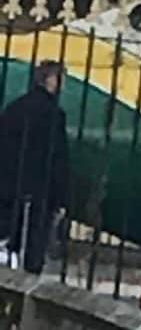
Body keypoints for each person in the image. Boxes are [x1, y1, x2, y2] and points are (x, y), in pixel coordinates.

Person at [0, 60, 69, 274]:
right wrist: (61, 198)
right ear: (51, 80)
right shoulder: (54, 113)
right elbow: (58, 157)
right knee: (33, 246)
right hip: (39, 191)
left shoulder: (14, 108)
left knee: (8, 240)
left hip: (8, 187)